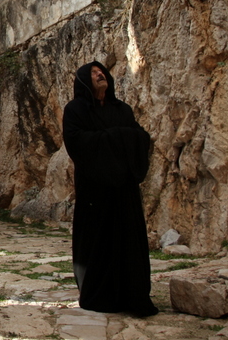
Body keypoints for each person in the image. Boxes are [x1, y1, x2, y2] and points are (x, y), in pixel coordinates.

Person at [62, 61, 158, 317]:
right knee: (98, 242)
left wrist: (113, 137)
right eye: (94, 73)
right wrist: (119, 137)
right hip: (95, 190)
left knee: (128, 240)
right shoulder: (75, 110)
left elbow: (141, 137)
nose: (100, 74)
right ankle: (99, 295)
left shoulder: (122, 109)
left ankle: (133, 294)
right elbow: (76, 142)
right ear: (85, 81)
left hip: (123, 190)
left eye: (102, 71)